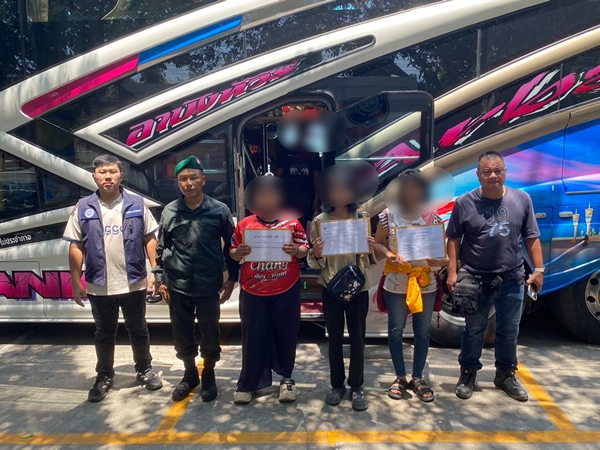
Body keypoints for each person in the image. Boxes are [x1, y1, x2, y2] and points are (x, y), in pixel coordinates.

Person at [445, 151, 544, 402]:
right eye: (487, 171)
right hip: (475, 279)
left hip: (512, 278)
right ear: (478, 175)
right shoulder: (465, 202)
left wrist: (539, 270)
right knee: (474, 329)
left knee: (509, 330)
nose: (493, 176)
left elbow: (531, 237)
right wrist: (452, 272)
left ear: (505, 172)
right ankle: (468, 373)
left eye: (498, 170)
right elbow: (453, 238)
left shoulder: (522, 199)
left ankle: (506, 375)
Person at [64, 154, 163, 403]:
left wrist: (155, 270)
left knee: (138, 329)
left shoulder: (137, 204)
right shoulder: (83, 207)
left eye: (112, 172)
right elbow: (76, 246)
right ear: (94, 177)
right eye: (102, 172)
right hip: (99, 285)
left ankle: (144, 369)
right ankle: (104, 376)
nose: (107, 176)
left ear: (121, 176)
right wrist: (76, 281)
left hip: (134, 282)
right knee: (104, 333)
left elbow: (150, 238)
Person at [153, 156, 239, 403]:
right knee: (181, 331)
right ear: (178, 183)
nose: (188, 183)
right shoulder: (170, 211)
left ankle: (208, 373)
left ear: (203, 180)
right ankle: (190, 373)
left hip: (209, 284)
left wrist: (232, 278)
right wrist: (160, 278)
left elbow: (232, 246)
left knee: (210, 331)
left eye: (193, 177)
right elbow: (162, 247)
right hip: (177, 283)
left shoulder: (219, 210)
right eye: (183, 179)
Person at [229, 176, 309, 404]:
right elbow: (233, 252)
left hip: (286, 287)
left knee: (287, 334)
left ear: (280, 197)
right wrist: (239, 252)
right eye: (261, 195)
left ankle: (287, 379)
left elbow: (305, 248)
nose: (266, 199)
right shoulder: (245, 224)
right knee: (252, 337)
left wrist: (296, 251)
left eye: (271, 195)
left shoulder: (292, 223)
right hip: (252, 289)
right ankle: (248, 383)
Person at [374, 170, 447, 402]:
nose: (412, 191)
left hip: (425, 282)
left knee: (422, 332)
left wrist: (441, 261)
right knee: (395, 330)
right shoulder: (388, 215)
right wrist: (389, 255)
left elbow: (444, 254)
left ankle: (418, 378)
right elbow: (377, 244)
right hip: (396, 282)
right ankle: (399, 377)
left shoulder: (433, 216)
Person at [307, 171, 376, 411]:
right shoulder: (320, 221)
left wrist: (370, 247)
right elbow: (315, 261)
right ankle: (337, 385)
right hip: (331, 286)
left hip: (358, 286)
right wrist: (316, 253)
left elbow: (369, 258)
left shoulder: (362, 217)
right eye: (334, 189)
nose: (339, 194)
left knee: (357, 337)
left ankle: (357, 385)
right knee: (334, 337)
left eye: (344, 189)